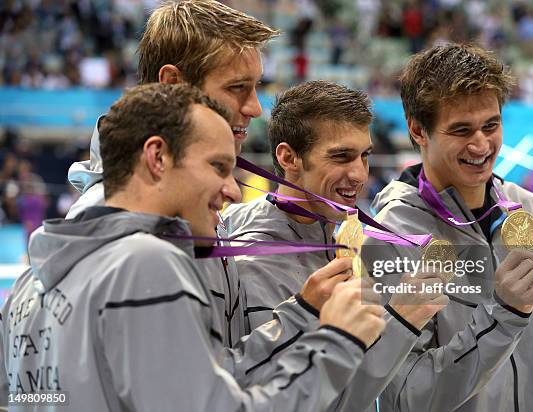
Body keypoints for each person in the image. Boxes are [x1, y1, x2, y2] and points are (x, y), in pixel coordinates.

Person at [0, 83, 386, 411]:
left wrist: (300, 314)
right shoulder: (144, 261)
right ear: (157, 158)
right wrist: (338, 342)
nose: (234, 190)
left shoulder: (29, 283)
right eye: (218, 167)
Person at [51, 0, 353, 360]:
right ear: (173, 85)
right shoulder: (119, 225)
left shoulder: (184, 208)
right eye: (237, 87)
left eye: (256, 87)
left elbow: (214, 371)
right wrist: (305, 318)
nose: (256, 107)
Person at [223, 80, 449, 412]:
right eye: (341, 156)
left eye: (364, 156)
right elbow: (303, 402)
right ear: (289, 157)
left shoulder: (346, 237)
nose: (359, 174)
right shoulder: (253, 257)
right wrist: (401, 322)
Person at [369, 43, 533, 411]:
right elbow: (407, 395)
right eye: (461, 130)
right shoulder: (391, 236)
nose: (481, 144)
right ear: (418, 130)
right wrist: (502, 316)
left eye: (491, 125)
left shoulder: (529, 209)